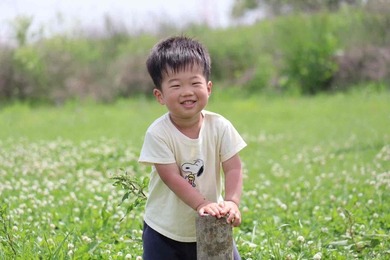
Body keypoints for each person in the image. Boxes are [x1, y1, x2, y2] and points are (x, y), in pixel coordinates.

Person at [138, 35, 247, 260]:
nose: (187, 91)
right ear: (160, 95)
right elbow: (171, 177)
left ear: (208, 88)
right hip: (165, 231)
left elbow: (233, 167)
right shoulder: (158, 133)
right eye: (176, 85)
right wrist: (202, 203)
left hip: (212, 223)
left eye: (195, 83)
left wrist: (231, 202)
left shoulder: (220, 126)